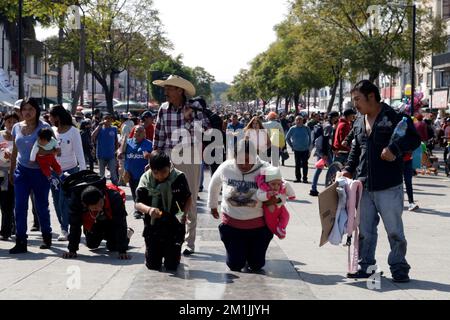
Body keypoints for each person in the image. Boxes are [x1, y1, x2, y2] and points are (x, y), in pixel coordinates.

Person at [342, 80, 420, 283]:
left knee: (394, 231)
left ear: (372, 96)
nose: (355, 104)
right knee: (365, 231)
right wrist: (348, 170)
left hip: (389, 185)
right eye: (354, 100)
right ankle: (366, 266)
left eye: (358, 99)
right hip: (364, 185)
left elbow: (414, 139)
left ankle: (399, 266)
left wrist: (395, 150)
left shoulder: (394, 117)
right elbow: (355, 150)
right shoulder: (359, 121)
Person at [152, 75, 210, 256]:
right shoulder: (163, 108)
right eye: (165, 88)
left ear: (180, 90)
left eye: (169, 88)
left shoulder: (194, 107)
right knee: (168, 197)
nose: (165, 91)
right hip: (169, 156)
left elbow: (205, 131)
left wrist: (188, 119)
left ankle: (189, 242)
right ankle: (172, 236)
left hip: (190, 155)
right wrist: (154, 159)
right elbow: (159, 134)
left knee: (189, 197)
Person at [208, 140, 273, 272]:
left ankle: (253, 253)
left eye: (248, 160)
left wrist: (276, 201)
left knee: (256, 265)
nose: (244, 164)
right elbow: (214, 185)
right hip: (232, 226)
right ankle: (238, 252)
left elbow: (282, 187)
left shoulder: (266, 169)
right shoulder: (226, 167)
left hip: (258, 228)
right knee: (235, 265)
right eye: (240, 160)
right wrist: (213, 205)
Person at [9, 98, 54, 253]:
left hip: (40, 172)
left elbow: (55, 149)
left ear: (37, 111)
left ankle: (47, 236)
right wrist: (11, 170)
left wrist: (41, 152)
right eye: (24, 109)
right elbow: (15, 150)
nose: (27, 112)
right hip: (21, 171)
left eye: (31, 109)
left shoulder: (45, 127)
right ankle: (21, 241)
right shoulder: (16, 127)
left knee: (41, 206)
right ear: (21, 111)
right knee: (20, 206)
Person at [135, 150, 192, 271]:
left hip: (174, 225)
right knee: (153, 266)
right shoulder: (145, 179)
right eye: (156, 173)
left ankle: (174, 256)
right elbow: (138, 204)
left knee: (171, 266)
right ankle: (151, 253)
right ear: (150, 168)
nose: (160, 176)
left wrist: (184, 213)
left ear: (169, 167)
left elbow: (188, 198)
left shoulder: (179, 177)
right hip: (154, 226)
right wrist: (149, 210)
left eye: (164, 172)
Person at [63, 183, 133, 260]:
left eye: (101, 204)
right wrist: (72, 250)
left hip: (111, 222)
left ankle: (126, 234)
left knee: (113, 247)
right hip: (94, 223)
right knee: (91, 245)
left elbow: (120, 223)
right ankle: (106, 236)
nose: (99, 208)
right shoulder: (76, 203)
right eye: (95, 208)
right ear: (85, 205)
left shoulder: (114, 197)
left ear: (103, 197)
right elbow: (74, 225)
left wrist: (122, 251)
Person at [49, 105, 87, 241]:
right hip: (53, 172)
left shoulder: (73, 131)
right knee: (56, 200)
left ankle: (65, 229)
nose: (50, 119)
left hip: (70, 171)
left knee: (64, 200)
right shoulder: (51, 131)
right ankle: (63, 225)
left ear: (57, 117)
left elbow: (79, 153)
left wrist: (82, 172)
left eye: (51, 117)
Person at [120, 125, 153, 219]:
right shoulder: (128, 142)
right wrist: (119, 154)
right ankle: (138, 209)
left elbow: (153, 155)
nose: (137, 133)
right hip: (130, 173)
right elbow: (120, 151)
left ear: (144, 134)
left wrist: (148, 155)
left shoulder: (148, 143)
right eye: (136, 131)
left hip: (143, 174)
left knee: (141, 192)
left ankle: (140, 209)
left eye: (140, 132)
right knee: (134, 192)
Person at [256, 166, 295, 239]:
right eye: (273, 184)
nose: (276, 186)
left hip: (280, 206)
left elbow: (287, 186)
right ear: (267, 183)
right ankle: (276, 231)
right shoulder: (263, 189)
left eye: (278, 184)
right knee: (271, 220)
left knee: (286, 215)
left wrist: (291, 195)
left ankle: (281, 227)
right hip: (270, 208)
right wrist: (267, 195)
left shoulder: (281, 186)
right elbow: (259, 195)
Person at [309, 111, 340, 196]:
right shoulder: (329, 126)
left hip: (321, 150)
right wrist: (325, 153)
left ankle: (313, 188)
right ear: (334, 117)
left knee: (319, 169)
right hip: (325, 151)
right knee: (333, 170)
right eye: (337, 117)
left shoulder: (324, 124)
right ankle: (331, 190)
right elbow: (326, 140)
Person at [0, 112, 19, 240]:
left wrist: (12, 157)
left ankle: (6, 231)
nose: (11, 125)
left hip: (13, 173)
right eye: (8, 122)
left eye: (14, 122)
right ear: (4, 122)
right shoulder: (0, 135)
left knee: (8, 203)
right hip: (1, 172)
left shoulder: (20, 136)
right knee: (3, 202)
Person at [92, 113, 119, 185]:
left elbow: (116, 140)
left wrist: (117, 151)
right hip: (101, 155)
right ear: (103, 120)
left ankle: (116, 189)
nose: (107, 120)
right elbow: (92, 136)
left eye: (109, 118)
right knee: (101, 175)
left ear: (112, 120)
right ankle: (102, 190)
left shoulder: (114, 128)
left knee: (113, 174)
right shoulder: (99, 128)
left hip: (111, 155)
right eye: (106, 118)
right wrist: (99, 126)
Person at [286, 116, 311, 183]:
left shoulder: (306, 128)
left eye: (300, 120)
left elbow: (310, 138)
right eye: (297, 120)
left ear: (303, 121)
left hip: (305, 149)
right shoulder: (292, 129)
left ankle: (305, 178)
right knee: (297, 164)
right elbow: (287, 138)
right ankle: (298, 178)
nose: (299, 121)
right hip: (297, 149)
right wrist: (292, 146)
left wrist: (309, 147)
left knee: (305, 164)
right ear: (295, 121)